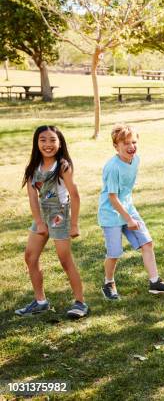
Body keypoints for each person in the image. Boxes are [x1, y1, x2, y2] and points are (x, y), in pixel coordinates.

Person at [99, 124, 164, 300]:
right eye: (125, 143)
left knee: (146, 242)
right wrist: (128, 219)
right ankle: (108, 283)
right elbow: (112, 198)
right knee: (114, 253)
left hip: (127, 208)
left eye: (133, 142)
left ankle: (155, 282)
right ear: (116, 146)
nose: (131, 147)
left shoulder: (135, 160)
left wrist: (129, 214)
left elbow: (125, 190)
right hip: (111, 214)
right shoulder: (112, 167)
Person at [15, 126, 88, 318]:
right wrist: (39, 222)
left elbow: (75, 195)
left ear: (60, 143)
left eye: (52, 140)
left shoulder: (63, 166)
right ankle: (41, 301)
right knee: (30, 257)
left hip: (60, 216)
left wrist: (74, 224)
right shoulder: (33, 168)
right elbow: (32, 198)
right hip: (42, 215)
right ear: (36, 143)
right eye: (43, 140)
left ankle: (80, 302)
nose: (48, 144)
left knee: (65, 260)